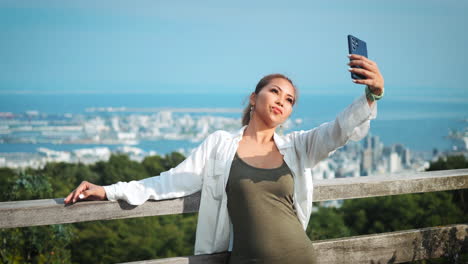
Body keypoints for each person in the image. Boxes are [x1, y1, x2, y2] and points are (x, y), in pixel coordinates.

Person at [65, 54, 384, 263]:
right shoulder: (220, 145)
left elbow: (338, 131)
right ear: (253, 97)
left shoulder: (297, 146)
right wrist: (109, 190)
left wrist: (371, 95)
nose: (281, 101)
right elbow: (171, 181)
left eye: (289, 100)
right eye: (274, 92)